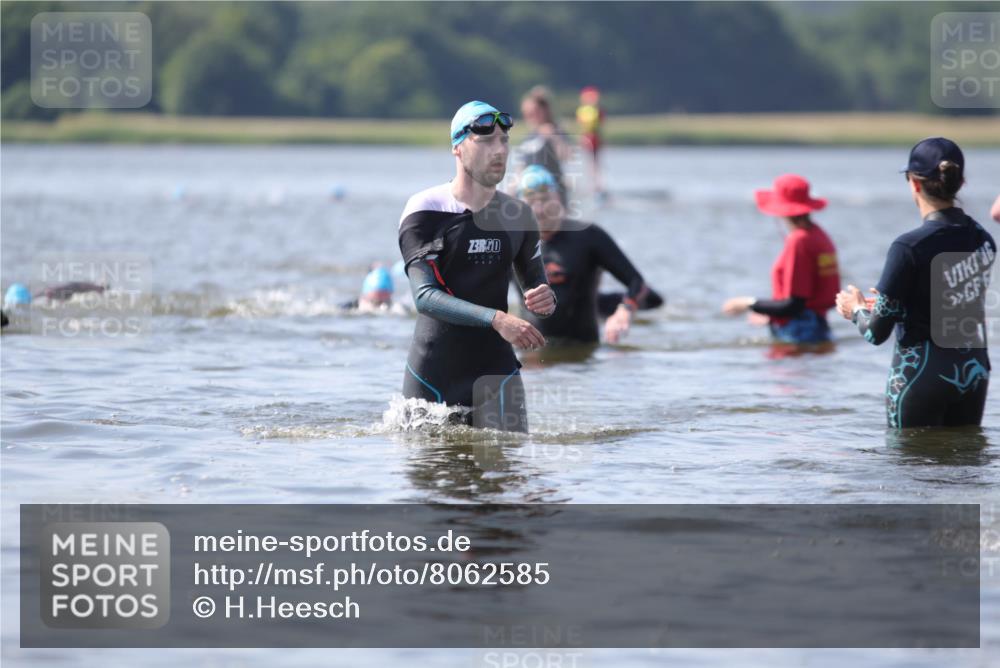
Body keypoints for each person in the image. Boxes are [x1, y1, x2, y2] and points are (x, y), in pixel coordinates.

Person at [397, 101, 556, 432]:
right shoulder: (426, 210)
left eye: (504, 141)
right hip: (434, 377)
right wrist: (497, 319)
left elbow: (537, 288)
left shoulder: (519, 215)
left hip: (498, 375)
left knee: (514, 463)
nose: (499, 150)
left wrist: (546, 299)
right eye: (485, 141)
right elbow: (425, 297)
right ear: (457, 148)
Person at [835, 137, 995, 429]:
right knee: (966, 458)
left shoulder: (908, 247)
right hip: (974, 371)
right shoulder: (983, 238)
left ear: (914, 183)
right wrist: (895, 303)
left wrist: (856, 309)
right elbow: (952, 301)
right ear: (960, 182)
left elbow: (875, 333)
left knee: (908, 457)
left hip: (920, 375)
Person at [516, 165, 661, 345]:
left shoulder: (588, 236)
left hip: (583, 350)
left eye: (545, 199)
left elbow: (636, 282)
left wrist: (624, 311)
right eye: (531, 202)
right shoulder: (512, 244)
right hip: (533, 354)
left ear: (560, 199)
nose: (539, 209)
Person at [722, 174, 840, 345]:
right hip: (818, 325)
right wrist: (771, 315)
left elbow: (794, 305)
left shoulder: (799, 240)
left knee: (787, 364)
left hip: (799, 330)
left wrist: (746, 303)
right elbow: (810, 300)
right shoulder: (819, 235)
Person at [514, 86, 572, 206]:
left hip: (553, 194)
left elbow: (566, 156)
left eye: (533, 112)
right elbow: (521, 169)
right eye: (526, 113)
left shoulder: (555, 130)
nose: (529, 117)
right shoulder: (529, 137)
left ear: (544, 111)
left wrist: (554, 138)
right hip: (530, 195)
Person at [576, 86, 606, 198]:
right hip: (592, 137)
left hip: (589, 137)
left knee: (592, 163)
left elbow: (581, 125)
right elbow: (601, 124)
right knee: (594, 163)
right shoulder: (597, 110)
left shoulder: (583, 110)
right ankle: (595, 186)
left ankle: (595, 187)